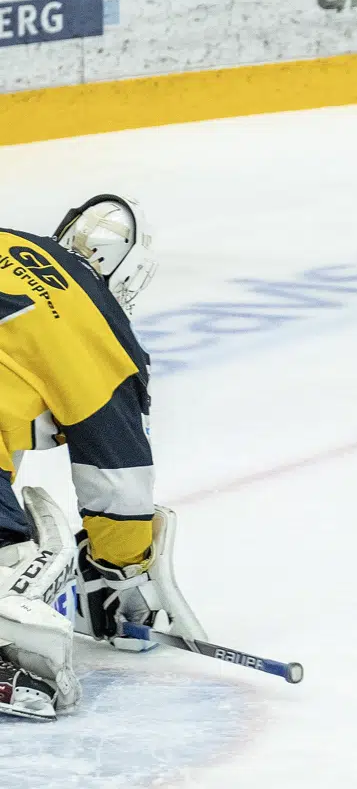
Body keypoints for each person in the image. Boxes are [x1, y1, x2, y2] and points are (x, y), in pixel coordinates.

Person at [0, 195, 203, 721]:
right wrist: (120, 578)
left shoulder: (10, 242)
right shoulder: (99, 331)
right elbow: (118, 482)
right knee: (7, 552)